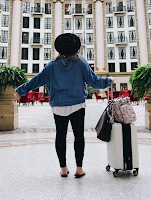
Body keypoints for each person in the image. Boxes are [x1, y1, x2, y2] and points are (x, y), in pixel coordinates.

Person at [14, 33, 112, 179]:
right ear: (76, 48)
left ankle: (63, 169)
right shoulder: (80, 62)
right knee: (79, 136)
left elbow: (36, 80)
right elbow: (94, 81)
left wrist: (20, 90)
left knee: (60, 136)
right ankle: (79, 169)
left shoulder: (52, 65)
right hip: (77, 105)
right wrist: (108, 80)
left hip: (58, 105)